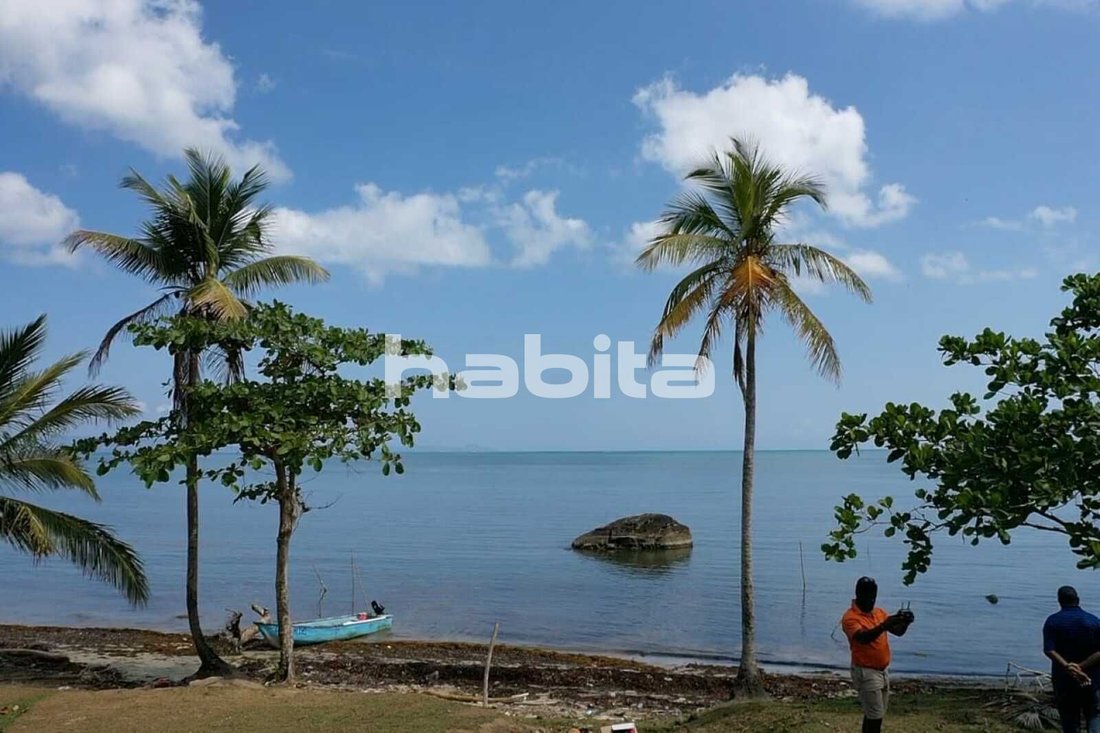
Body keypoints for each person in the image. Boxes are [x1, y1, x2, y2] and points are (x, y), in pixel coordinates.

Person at [841, 577, 914, 733]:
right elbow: (863, 638)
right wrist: (883, 626)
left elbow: (898, 632)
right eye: (868, 597)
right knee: (875, 715)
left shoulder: (879, 613)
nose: (872, 601)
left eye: (874, 597)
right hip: (865, 671)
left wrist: (905, 622)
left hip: (882, 670)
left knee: (875, 714)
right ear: (859, 594)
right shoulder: (850, 618)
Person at [1042, 585, 1100, 733]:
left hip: (1064, 679)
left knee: (1069, 718)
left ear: (1059, 601)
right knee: (1094, 715)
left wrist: (1070, 667)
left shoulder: (1053, 621)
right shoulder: (1093, 621)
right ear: (1078, 600)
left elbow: (1049, 650)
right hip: (1092, 679)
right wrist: (1081, 666)